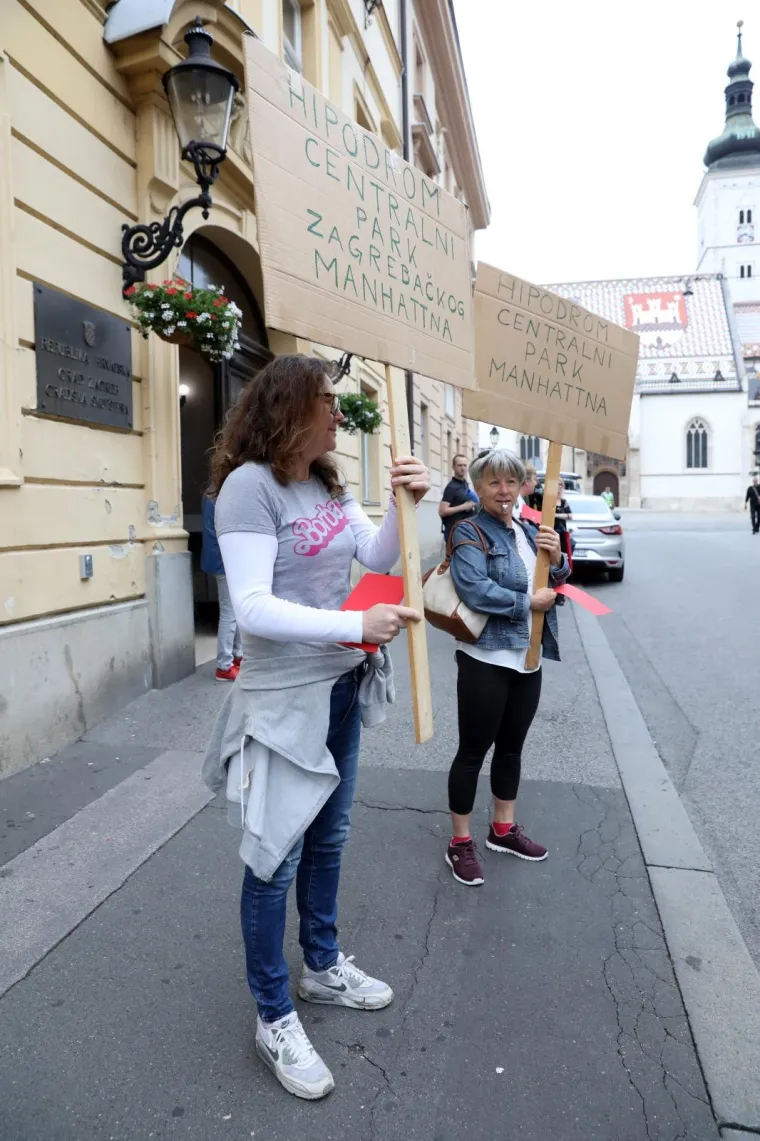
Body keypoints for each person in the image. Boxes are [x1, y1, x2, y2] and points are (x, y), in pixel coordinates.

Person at [201, 354, 429, 1101]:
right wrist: (353, 621)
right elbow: (254, 605)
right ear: (290, 406)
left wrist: (407, 505)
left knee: (329, 838)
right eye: (328, 401)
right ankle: (273, 1012)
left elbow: (375, 554)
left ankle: (321, 964)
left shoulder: (327, 480)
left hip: (338, 686)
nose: (340, 414)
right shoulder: (248, 488)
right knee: (274, 856)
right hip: (282, 697)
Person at [443, 448, 571, 887]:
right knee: (473, 751)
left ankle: (502, 830)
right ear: (478, 488)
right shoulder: (468, 531)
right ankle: (459, 843)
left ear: (521, 487)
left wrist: (556, 559)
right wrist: (525, 603)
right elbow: (474, 589)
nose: (503, 490)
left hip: (528, 658)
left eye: (510, 482)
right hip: (485, 657)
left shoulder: (528, 529)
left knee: (512, 749)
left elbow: (557, 578)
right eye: (494, 482)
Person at [201, 493, 242, 681]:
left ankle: (237, 656)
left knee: (235, 610)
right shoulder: (222, 496)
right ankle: (224, 665)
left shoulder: (213, 495)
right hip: (225, 561)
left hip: (224, 559)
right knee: (230, 612)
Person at [439, 453, 477, 541]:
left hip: (467, 530)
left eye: (465, 465)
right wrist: (463, 507)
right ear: (453, 467)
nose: (463, 468)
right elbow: (442, 511)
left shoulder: (465, 484)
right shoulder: (451, 487)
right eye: (459, 465)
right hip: (455, 533)